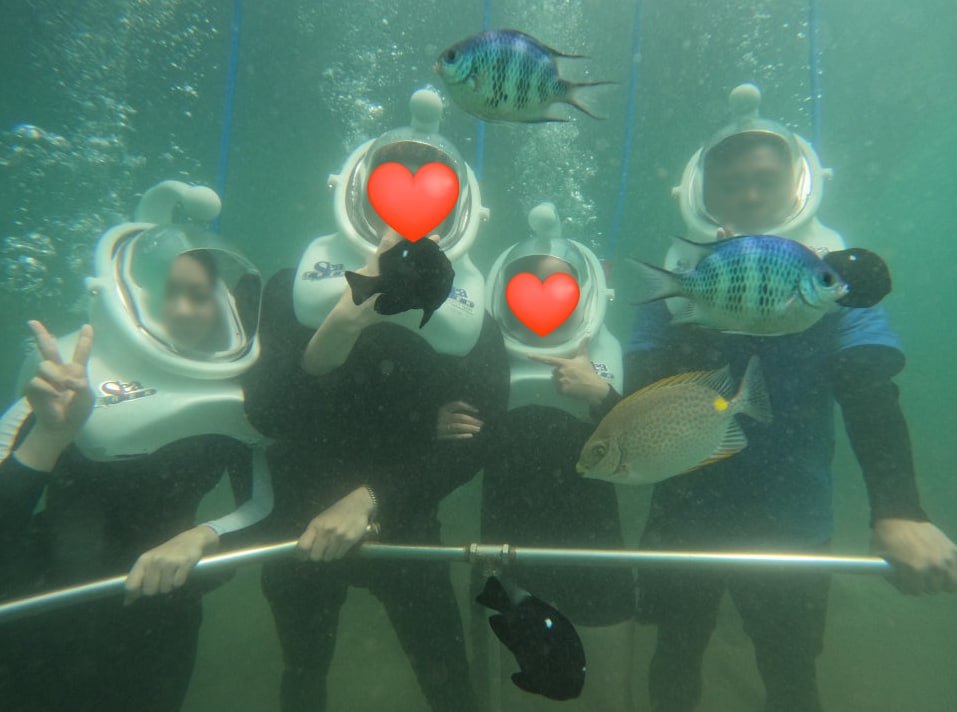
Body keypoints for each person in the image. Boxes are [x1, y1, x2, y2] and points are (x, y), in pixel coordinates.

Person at [548, 84, 957, 712]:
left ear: (799, 185)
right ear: (701, 194)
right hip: (684, 514)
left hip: (791, 518)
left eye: (766, 180)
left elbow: (870, 391)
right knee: (676, 651)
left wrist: (898, 510)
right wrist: (712, 312)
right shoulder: (684, 283)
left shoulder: (829, 280)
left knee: (789, 667)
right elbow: (647, 395)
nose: (750, 196)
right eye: (731, 184)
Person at [243, 88, 509, 712]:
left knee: (450, 685)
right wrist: (344, 321)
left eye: (432, 200)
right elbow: (266, 413)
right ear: (356, 197)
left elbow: (483, 439)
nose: (407, 221)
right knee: (303, 675)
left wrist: (369, 498)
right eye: (389, 195)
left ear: (460, 214)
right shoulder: (290, 290)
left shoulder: (475, 319)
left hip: (403, 519)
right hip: (303, 524)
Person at [0, 181, 273, 712]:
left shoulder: (240, 393)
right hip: (47, 613)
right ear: (140, 298)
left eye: (199, 295)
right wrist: (52, 434)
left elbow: (265, 507)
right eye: (170, 292)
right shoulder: (70, 375)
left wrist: (200, 538)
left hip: (164, 618)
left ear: (222, 302)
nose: (185, 308)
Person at [468, 202, 636, 712]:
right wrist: (445, 421)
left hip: (592, 540)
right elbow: (459, 446)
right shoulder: (483, 355)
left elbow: (640, 454)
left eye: (559, 285)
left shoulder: (607, 353)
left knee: (601, 680)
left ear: (585, 295)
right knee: (513, 679)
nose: (542, 298)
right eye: (527, 284)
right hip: (509, 540)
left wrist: (602, 396)